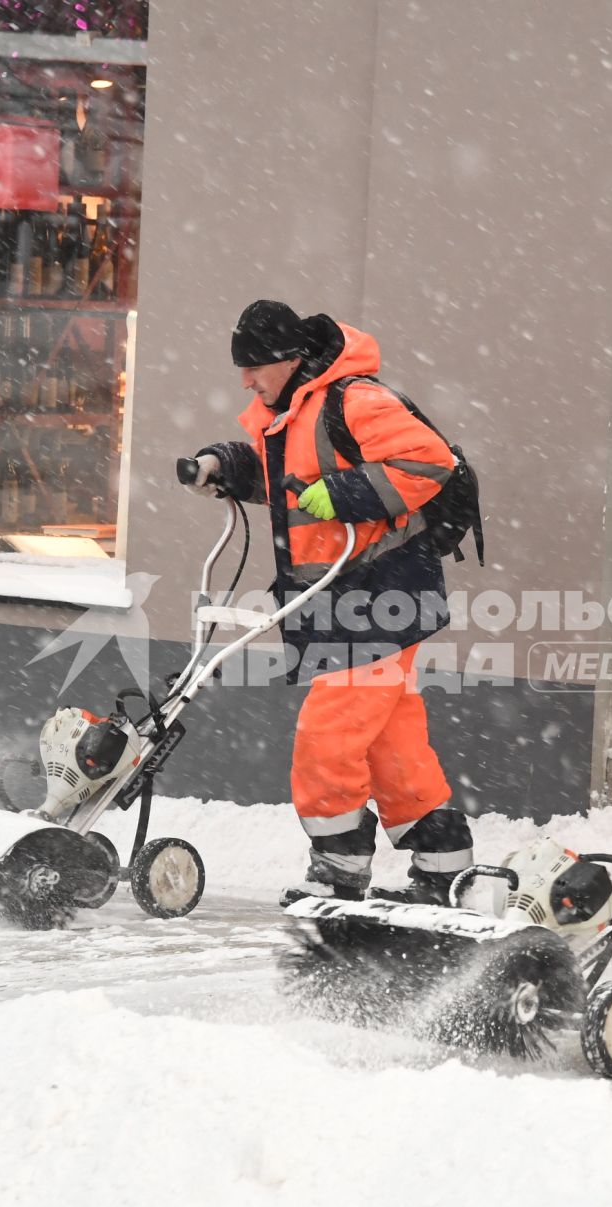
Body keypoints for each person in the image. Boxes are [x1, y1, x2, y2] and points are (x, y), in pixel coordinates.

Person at [181, 300, 472, 907]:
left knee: (326, 738)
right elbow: (282, 480)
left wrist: (340, 494)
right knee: (393, 746)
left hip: (381, 595)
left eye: (255, 367)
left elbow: (430, 462)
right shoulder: (287, 411)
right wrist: (221, 465)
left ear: (289, 360)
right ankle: (444, 866)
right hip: (341, 601)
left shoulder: (355, 400)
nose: (246, 380)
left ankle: (339, 868)